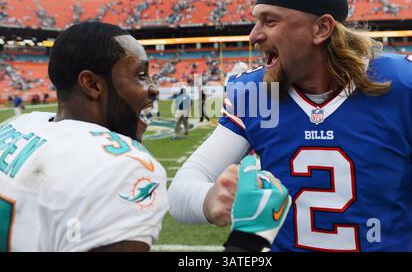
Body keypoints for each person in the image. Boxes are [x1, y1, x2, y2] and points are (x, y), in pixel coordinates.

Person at [168, 0, 412, 252]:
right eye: (256, 21)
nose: (254, 36)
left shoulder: (411, 88)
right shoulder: (257, 93)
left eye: (270, 21)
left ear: (321, 28)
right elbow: (181, 190)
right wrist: (212, 198)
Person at [0, 21, 290, 252]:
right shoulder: (121, 166)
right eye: (140, 75)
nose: (153, 88)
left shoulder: (20, 126)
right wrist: (248, 242)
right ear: (91, 84)